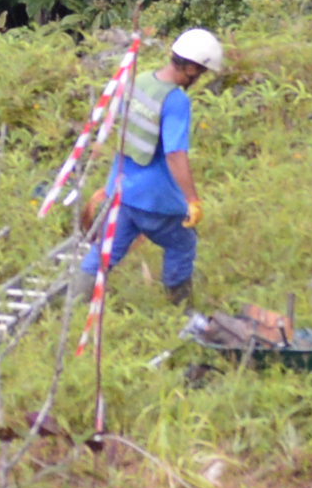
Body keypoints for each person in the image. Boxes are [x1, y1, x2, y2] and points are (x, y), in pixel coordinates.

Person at [88, 25, 222, 305]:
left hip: (122, 189)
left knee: (105, 252)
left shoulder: (141, 82)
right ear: (192, 69)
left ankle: (70, 297)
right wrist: (192, 200)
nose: (199, 78)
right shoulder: (175, 100)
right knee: (182, 243)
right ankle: (178, 307)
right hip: (153, 198)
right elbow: (175, 154)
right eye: (201, 72)